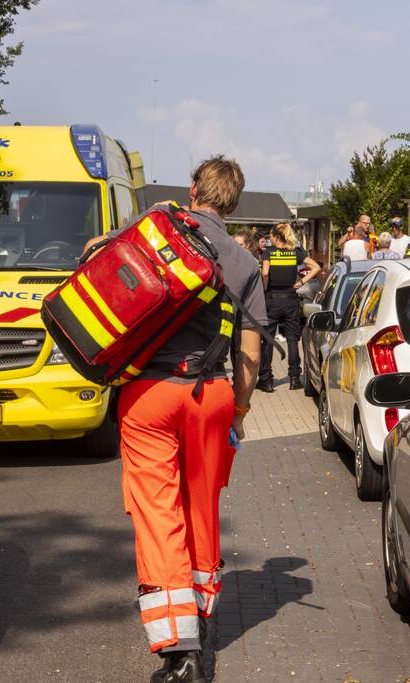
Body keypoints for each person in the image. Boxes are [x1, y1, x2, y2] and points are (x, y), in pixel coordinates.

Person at [111, 156, 268, 682]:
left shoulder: (156, 227)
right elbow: (250, 350)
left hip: (149, 392)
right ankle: (202, 618)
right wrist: (240, 411)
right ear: (235, 203)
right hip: (212, 393)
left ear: (194, 189)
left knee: (159, 514)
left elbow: (98, 260)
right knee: (201, 507)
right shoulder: (244, 262)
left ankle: (179, 651)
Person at [257, 223, 320, 392]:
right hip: (291, 300)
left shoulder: (268, 253)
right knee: (293, 339)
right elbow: (316, 267)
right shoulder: (296, 253)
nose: (270, 238)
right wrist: (300, 282)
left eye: (271, 235)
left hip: (271, 299)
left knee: (268, 340)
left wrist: (265, 287)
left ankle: (266, 380)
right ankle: (294, 378)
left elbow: (264, 273)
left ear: (276, 237)